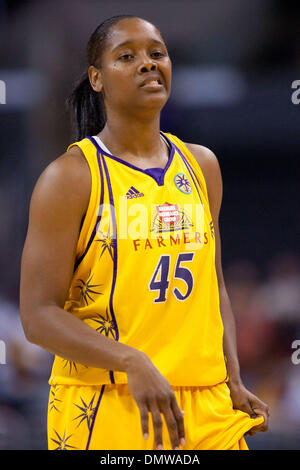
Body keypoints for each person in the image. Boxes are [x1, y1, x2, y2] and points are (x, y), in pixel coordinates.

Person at [20, 15, 269, 451]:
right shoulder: (71, 177)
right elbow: (37, 315)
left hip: (207, 406)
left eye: (157, 54)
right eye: (127, 56)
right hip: (108, 401)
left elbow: (215, 285)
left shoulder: (201, 165)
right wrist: (131, 361)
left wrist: (232, 378)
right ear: (97, 79)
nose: (148, 64)